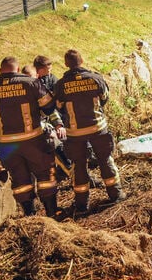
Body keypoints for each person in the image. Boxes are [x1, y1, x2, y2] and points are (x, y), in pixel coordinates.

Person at [0, 56, 64, 218]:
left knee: (20, 179)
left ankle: (29, 214)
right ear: (18, 70)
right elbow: (49, 106)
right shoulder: (32, 84)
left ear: (0, 70)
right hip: (33, 141)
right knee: (45, 175)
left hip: (7, 146)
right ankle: (52, 212)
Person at [53, 49, 123, 214]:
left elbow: (58, 107)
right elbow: (105, 98)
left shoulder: (61, 85)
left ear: (66, 64)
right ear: (82, 61)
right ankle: (116, 195)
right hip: (98, 128)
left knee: (79, 166)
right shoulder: (96, 78)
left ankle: (81, 205)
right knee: (105, 160)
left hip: (75, 133)